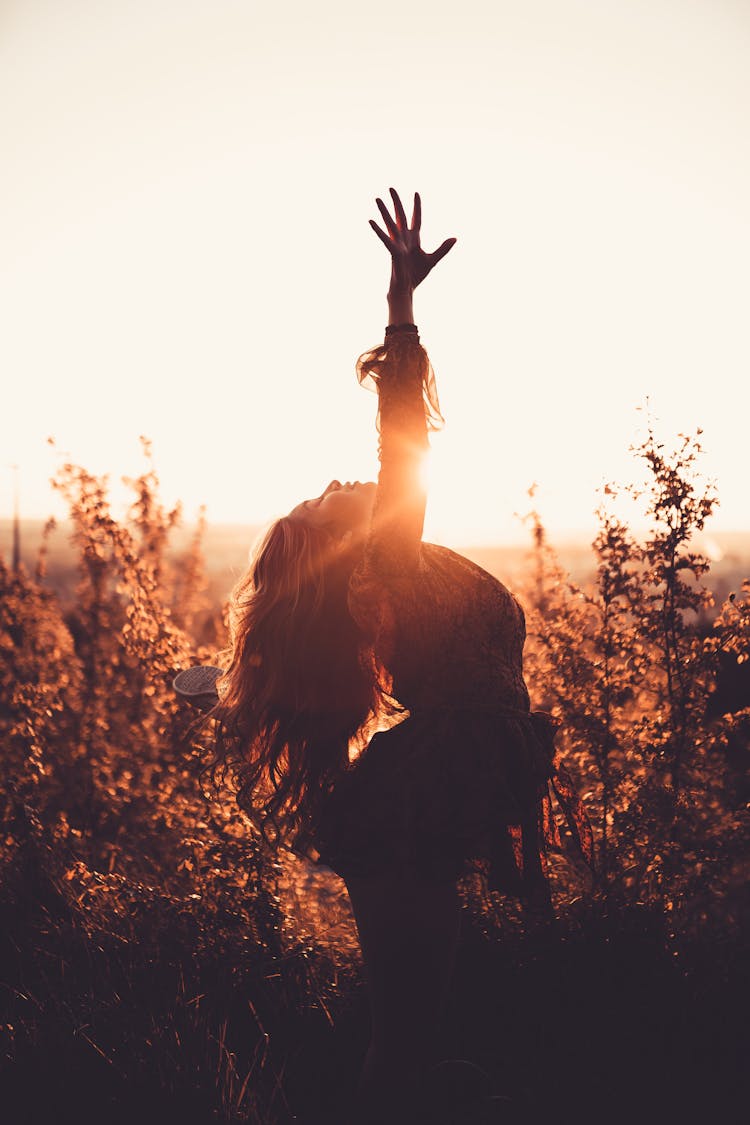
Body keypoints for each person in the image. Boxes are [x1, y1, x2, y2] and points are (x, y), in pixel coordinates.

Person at [198, 189, 592, 1124]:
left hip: (437, 786)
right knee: (401, 1043)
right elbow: (404, 432)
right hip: (422, 791)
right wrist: (400, 306)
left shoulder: (391, 573)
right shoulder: (385, 553)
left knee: (412, 1040)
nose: (338, 482)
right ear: (338, 549)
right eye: (321, 500)